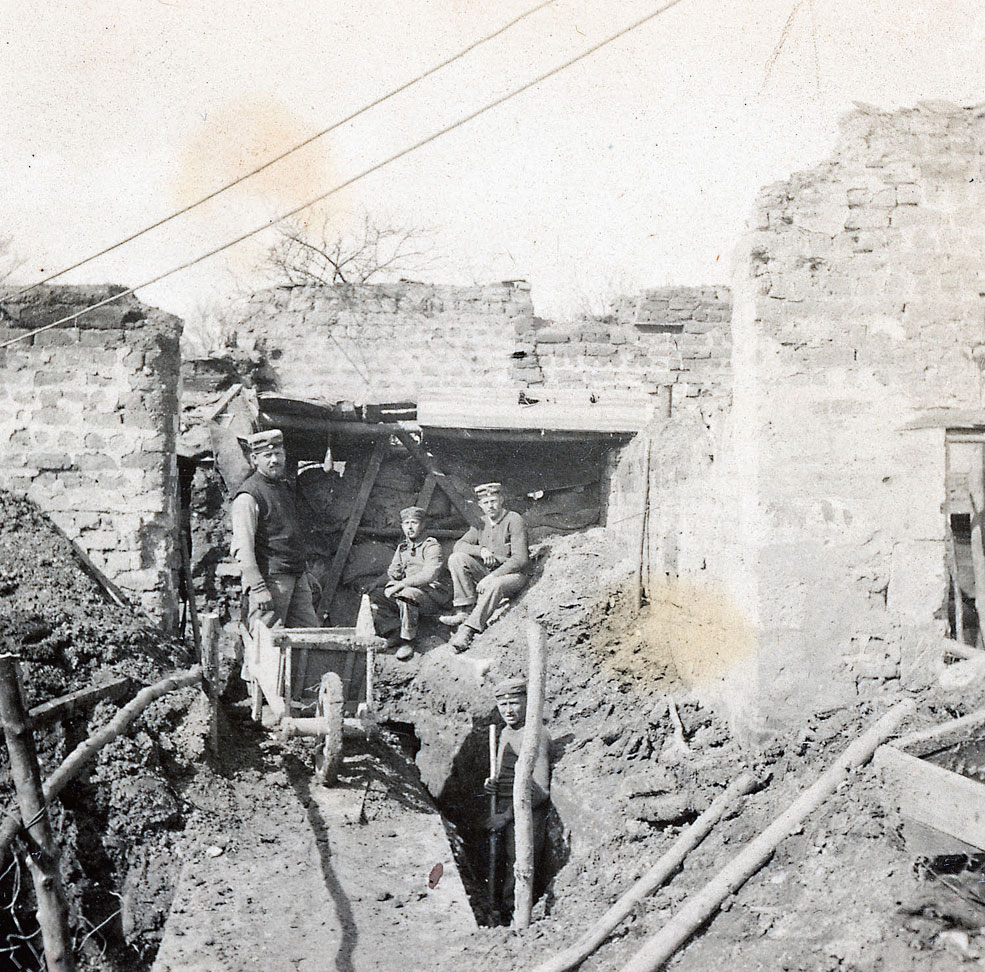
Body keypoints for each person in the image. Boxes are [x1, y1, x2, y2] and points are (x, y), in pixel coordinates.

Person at [230, 429, 319, 629]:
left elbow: (290, 534)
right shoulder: (249, 496)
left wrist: (304, 573)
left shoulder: (284, 488)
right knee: (267, 644)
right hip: (271, 579)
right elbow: (242, 548)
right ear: (254, 459)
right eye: (267, 455)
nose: (273, 460)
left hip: (296, 576)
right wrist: (258, 587)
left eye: (277, 454)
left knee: (309, 637)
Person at [483, 677, 552, 924]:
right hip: (504, 809)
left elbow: (541, 790)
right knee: (497, 862)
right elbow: (508, 774)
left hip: (524, 816)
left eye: (514, 703)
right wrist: (494, 783)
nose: (509, 711)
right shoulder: (505, 732)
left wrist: (506, 817)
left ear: (528, 702)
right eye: (503, 705)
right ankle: (496, 910)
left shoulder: (536, 735)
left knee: (518, 865)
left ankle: (517, 918)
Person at [441, 482, 529, 653]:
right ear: (480, 505)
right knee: (457, 558)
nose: (491, 506)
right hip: (489, 571)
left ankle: (469, 630)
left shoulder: (514, 519)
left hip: (513, 575)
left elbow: (521, 559)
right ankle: (464, 609)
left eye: (494, 500)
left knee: (496, 585)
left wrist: (491, 577)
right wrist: (481, 550)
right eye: (486, 502)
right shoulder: (481, 523)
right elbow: (459, 546)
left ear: (501, 500)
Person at [367, 506, 451, 661]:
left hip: (430, 598)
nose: (410, 527)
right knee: (375, 595)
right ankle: (395, 631)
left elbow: (430, 574)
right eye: (406, 523)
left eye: (414, 523)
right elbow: (393, 572)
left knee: (406, 594)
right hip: (410, 595)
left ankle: (408, 641)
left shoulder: (431, 546)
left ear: (423, 525)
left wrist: (402, 583)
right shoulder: (403, 548)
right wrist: (375, 583)